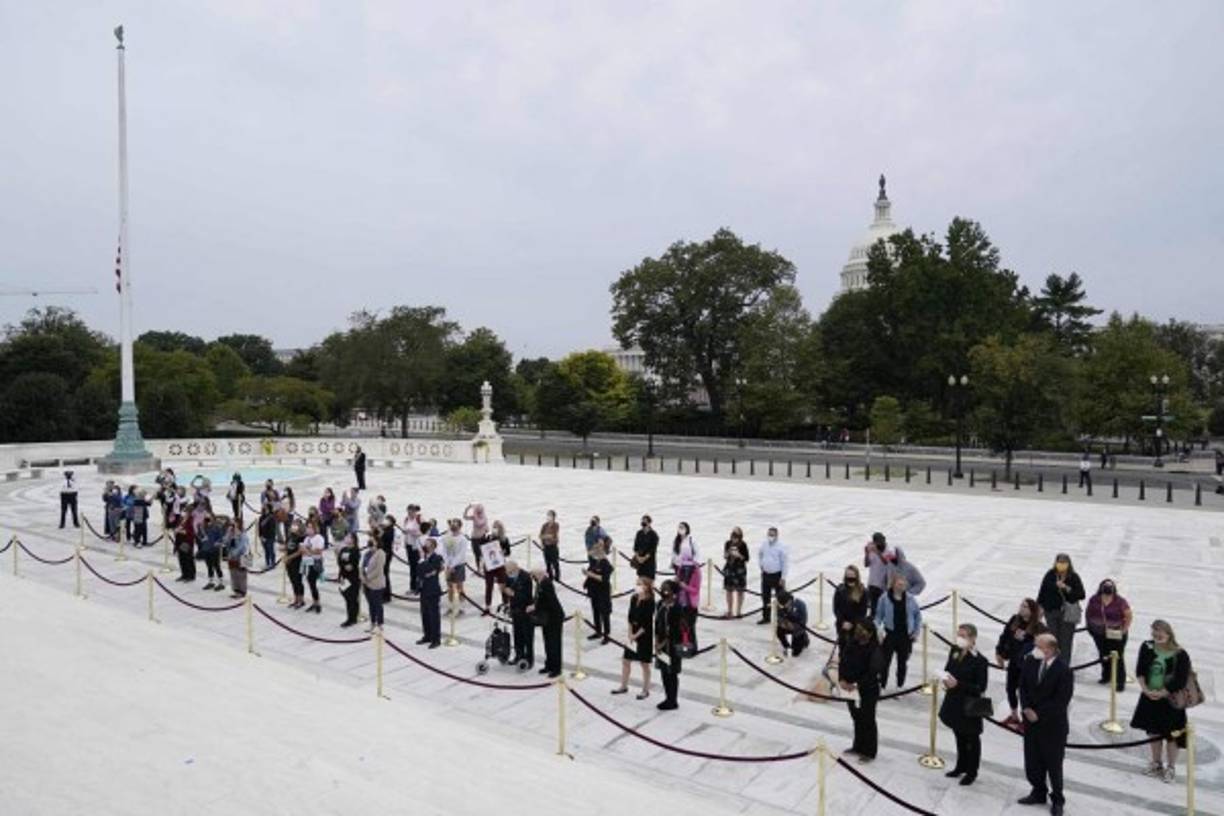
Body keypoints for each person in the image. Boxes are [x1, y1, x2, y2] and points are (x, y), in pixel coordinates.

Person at [1017, 633, 1075, 815]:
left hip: (1052, 726)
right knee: (1033, 761)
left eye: (1038, 646)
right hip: (1031, 722)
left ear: (1049, 649)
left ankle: (1057, 799)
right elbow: (1023, 686)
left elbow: (1061, 700)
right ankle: (1038, 791)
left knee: (1053, 764)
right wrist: (1026, 708)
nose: (1034, 649)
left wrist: (1038, 714)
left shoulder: (1063, 670)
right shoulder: (1031, 662)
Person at [1131, 620, 1193, 783]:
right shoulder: (1146, 647)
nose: (1157, 636)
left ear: (1169, 633)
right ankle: (1156, 763)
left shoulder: (1180, 654)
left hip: (1170, 700)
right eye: (1154, 633)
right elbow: (1140, 671)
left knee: (1172, 735)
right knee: (1153, 732)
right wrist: (1145, 689)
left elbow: (1180, 680)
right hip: (1149, 696)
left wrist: (1163, 693)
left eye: (1160, 633)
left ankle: (1170, 767)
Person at [939, 623, 990, 786]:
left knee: (971, 739)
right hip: (954, 701)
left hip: (969, 705)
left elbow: (980, 687)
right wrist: (945, 680)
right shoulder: (955, 650)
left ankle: (972, 771)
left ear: (973, 639)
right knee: (958, 736)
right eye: (958, 635)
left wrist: (958, 684)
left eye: (963, 636)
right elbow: (948, 669)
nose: (960, 639)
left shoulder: (980, 661)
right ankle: (960, 766)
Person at [996, 598, 1045, 725]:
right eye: (1021, 605)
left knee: (1025, 692)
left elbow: (1041, 645)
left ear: (1032, 611)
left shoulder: (1038, 627)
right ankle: (1014, 715)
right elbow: (1004, 636)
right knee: (1010, 688)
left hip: (1027, 666)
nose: (1021, 608)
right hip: (1013, 661)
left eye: (1025, 607)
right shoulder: (1014, 620)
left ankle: (1026, 719)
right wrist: (999, 653)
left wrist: (1026, 638)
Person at [839, 621, 882, 762]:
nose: (858, 632)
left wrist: (857, 684)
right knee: (856, 717)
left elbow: (872, 672)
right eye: (858, 629)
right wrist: (842, 679)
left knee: (868, 719)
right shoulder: (852, 644)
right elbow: (843, 661)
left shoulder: (875, 649)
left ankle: (869, 751)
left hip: (867, 690)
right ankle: (857, 746)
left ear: (870, 633)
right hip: (849, 688)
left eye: (862, 630)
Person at [874, 573, 921, 688]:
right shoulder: (884, 598)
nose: (902, 586)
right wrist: (878, 630)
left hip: (905, 636)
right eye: (899, 584)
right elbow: (878, 616)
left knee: (902, 663)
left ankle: (899, 685)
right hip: (890, 634)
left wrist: (915, 632)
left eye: (903, 584)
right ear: (893, 584)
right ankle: (882, 684)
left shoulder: (910, 599)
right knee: (885, 662)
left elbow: (917, 616)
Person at [611, 577, 654, 700]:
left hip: (644, 635)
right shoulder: (634, 598)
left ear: (646, 586)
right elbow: (630, 617)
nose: (637, 586)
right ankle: (623, 686)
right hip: (633, 633)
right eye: (637, 584)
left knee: (644, 663)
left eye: (639, 584)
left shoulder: (650, 602)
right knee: (626, 660)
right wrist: (630, 633)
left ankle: (645, 690)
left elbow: (647, 623)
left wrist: (636, 635)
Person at [1085, 578, 1133, 690]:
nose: (1107, 594)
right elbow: (1088, 613)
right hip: (1099, 633)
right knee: (1104, 655)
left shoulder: (1120, 601)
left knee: (1118, 657)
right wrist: (1090, 628)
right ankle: (1106, 676)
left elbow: (1128, 616)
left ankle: (1120, 681)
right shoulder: (1094, 599)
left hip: (1116, 634)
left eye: (1109, 591)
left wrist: (1124, 630)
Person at [1037, 553, 1085, 660]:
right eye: (1060, 562)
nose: (1061, 564)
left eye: (1064, 562)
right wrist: (1039, 609)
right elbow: (1042, 592)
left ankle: (1063, 667)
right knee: (1052, 640)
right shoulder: (1050, 575)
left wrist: (1066, 588)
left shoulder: (1073, 577)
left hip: (1067, 614)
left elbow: (1081, 594)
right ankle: (1052, 663)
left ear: (1068, 564)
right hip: (1051, 612)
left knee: (1066, 641)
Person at [653, 579, 683, 711]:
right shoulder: (660, 604)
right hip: (661, 645)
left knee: (672, 673)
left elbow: (675, 631)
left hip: (672, 646)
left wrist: (662, 643)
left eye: (666, 589)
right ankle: (667, 697)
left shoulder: (677, 608)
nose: (663, 591)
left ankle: (673, 700)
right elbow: (657, 624)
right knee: (664, 672)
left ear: (673, 593)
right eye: (662, 588)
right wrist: (656, 641)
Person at [528, 567, 564, 678]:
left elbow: (549, 601)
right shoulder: (541, 583)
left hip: (554, 618)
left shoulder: (546, 584)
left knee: (554, 643)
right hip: (547, 618)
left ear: (538, 575)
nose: (533, 578)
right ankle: (549, 665)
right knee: (548, 642)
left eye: (534, 576)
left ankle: (556, 668)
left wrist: (535, 607)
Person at [671, 522, 701, 653]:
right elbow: (673, 554)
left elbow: (696, 589)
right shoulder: (681, 569)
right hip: (681, 600)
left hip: (691, 603)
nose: (680, 530)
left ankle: (692, 648)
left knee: (690, 625)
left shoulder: (695, 572)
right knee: (681, 624)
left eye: (683, 527)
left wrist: (685, 586)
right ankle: (682, 646)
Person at [863, 532, 906, 614]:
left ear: (884, 540)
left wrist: (877, 552)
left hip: (884, 586)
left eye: (881, 542)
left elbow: (886, 562)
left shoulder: (890, 551)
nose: (879, 544)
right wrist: (866, 553)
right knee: (873, 610)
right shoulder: (872, 550)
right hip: (872, 584)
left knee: (884, 609)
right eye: (877, 542)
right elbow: (866, 564)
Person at [504, 560, 534, 667]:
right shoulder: (509, 576)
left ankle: (529, 659)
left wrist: (513, 593)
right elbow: (506, 587)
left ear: (515, 568)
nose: (508, 574)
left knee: (527, 636)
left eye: (509, 571)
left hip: (525, 611)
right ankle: (518, 655)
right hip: (515, 610)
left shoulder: (525, 577)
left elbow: (527, 596)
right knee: (517, 635)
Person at [757, 526, 788, 624]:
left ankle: (781, 617)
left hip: (777, 575)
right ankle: (766, 617)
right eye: (769, 534)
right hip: (766, 574)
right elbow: (760, 554)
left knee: (780, 597)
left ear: (776, 535)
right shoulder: (764, 544)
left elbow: (785, 563)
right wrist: (761, 565)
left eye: (772, 535)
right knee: (765, 596)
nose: (770, 536)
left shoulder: (781, 547)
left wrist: (783, 577)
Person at [440, 518, 470, 619]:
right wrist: (448, 564)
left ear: (460, 526)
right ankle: (451, 606)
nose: (453, 525)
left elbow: (461, 554)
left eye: (455, 524)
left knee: (458, 587)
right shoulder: (446, 537)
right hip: (448, 566)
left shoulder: (463, 539)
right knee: (449, 588)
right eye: (452, 523)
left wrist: (452, 565)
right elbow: (444, 551)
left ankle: (459, 608)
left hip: (458, 565)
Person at [583, 540, 613, 643]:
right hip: (594, 591)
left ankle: (606, 635)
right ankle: (598, 631)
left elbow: (604, 578)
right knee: (595, 612)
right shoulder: (595, 562)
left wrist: (590, 574)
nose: (594, 551)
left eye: (597, 549)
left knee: (604, 614)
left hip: (603, 592)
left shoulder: (606, 563)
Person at [417, 538, 444, 648]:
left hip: (432, 590)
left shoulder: (437, 558)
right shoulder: (423, 558)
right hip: (423, 589)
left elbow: (430, 570)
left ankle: (436, 639)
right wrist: (424, 567)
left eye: (427, 544)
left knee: (434, 616)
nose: (425, 546)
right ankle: (427, 635)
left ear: (433, 546)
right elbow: (419, 572)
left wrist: (425, 566)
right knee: (425, 614)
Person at [834, 565, 870, 646]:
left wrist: (852, 624)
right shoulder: (840, 590)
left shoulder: (863, 591)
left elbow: (863, 612)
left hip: (856, 627)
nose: (850, 578)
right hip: (842, 625)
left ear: (857, 577)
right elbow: (836, 608)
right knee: (842, 649)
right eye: (848, 576)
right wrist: (843, 622)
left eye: (852, 576)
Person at [481, 519, 511, 610]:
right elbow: (482, 546)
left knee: (502, 584)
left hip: (500, 565)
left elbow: (508, 552)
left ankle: (506, 603)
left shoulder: (504, 539)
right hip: (489, 565)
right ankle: (487, 605)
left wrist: (503, 552)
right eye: (494, 527)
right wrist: (484, 535)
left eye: (497, 527)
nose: (495, 529)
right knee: (489, 585)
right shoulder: (488, 537)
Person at [361, 533, 387, 633]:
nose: (370, 542)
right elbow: (362, 566)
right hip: (367, 583)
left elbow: (379, 569)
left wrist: (368, 577)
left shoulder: (381, 553)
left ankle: (380, 624)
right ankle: (372, 623)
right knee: (371, 604)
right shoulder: (367, 553)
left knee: (377, 604)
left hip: (376, 583)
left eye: (372, 540)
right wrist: (363, 577)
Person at [722, 527, 750, 619]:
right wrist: (728, 552)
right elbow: (725, 556)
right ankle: (730, 610)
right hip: (730, 569)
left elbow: (746, 558)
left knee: (740, 591)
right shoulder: (728, 543)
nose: (734, 538)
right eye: (733, 535)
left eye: (736, 536)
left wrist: (739, 555)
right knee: (729, 590)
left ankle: (738, 611)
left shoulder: (743, 545)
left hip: (739, 570)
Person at [336, 533, 362, 627]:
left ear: (353, 539)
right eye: (346, 537)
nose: (346, 538)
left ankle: (352, 618)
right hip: (344, 576)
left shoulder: (355, 550)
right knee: (347, 597)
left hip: (353, 578)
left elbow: (353, 564)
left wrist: (349, 565)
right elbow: (339, 561)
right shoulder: (343, 549)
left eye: (349, 537)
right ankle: (350, 617)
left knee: (352, 598)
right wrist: (343, 568)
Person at [775, 589, 810, 657]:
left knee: (795, 653)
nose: (784, 606)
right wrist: (783, 623)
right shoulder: (780, 606)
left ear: (790, 600)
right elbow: (778, 617)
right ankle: (787, 646)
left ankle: (804, 639)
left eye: (785, 604)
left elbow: (803, 621)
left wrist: (794, 626)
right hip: (786, 625)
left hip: (797, 628)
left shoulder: (800, 605)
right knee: (778, 631)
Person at [301, 522, 326, 614]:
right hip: (308, 562)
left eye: (310, 527)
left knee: (313, 582)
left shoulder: (319, 538)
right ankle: (314, 602)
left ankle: (317, 603)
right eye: (307, 527)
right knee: (310, 583)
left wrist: (308, 551)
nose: (308, 529)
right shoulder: (307, 538)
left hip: (316, 562)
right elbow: (303, 549)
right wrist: (306, 551)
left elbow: (318, 551)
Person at [224, 520, 251, 599]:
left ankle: (242, 591)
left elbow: (243, 546)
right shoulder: (231, 533)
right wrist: (228, 533)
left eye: (235, 523)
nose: (233, 525)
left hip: (242, 556)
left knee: (241, 574)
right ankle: (236, 589)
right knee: (233, 573)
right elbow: (226, 541)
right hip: (232, 556)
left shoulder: (243, 534)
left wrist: (234, 553)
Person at [199, 514, 226, 592]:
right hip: (206, 549)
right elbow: (200, 535)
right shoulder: (203, 528)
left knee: (216, 566)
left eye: (209, 520)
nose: (208, 522)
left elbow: (221, 537)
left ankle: (221, 583)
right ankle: (211, 581)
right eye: (206, 520)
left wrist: (217, 542)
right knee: (209, 566)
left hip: (214, 549)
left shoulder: (216, 528)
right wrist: (202, 538)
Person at [283, 520, 305, 609]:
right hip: (289, 563)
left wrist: (290, 557)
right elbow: (287, 547)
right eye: (293, 525)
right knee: (292, 581)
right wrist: (285, 556)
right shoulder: (289, 536)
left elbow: (300, 551)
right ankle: (296, 599)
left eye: (296, 525)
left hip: (297, 562)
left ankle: (301, 600)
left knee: (298, 581)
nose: (293, 527)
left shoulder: (301, 538)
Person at [402, 504, 422, 594]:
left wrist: (414, 532)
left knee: (418, 567)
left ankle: (419, 587)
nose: (410, 514)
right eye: (409, 512)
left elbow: (425, 531)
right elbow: (405, 530)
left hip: (417, 546)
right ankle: (413, 587)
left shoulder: (419, 519)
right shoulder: (406, 519)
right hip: (409, 545)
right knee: (412, 567)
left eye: (412, 512)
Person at [632, 515, 659, 580]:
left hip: (649, 561)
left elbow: (653, 549)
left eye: (645, 522)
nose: (643, 524)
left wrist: (644, 558)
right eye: (642, 522)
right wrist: (638, 557)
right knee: (640, 579)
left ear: (649, 523)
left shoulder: (653, 535)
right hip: (640, 560)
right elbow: (636, 546)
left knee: (649, 581)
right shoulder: (639, 533)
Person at [173, 515, 196, 583]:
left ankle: (190, 575)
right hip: (180, 542)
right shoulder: (180, 521)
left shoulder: (190, 521)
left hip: (186, 543)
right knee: (181, 559)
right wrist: (176, 530)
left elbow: (191, 533)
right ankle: (184, 574)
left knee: (187, 559)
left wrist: (183, 531)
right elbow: (177, 529)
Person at [539, 510, 561, 581]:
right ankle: (550, 577)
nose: (548, 517)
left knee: (555, 563)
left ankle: (557, 577)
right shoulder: (544, 525)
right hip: (546, 546)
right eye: (548, 515)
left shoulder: (556, 525)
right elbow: (540, 535)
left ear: (554, 517)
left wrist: (546, 536)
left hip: (553, 546)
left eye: (550, 515)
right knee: (547, 563)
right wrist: (545, 538)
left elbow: (552, 536)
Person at [257, 504, 278, 569]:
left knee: (271, 550)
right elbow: (259, 527)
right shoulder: (261, 517)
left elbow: (272, 529)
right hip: (263, 537)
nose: (264, 509)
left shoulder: (272, 518)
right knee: (266, 551)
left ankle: (272, 563)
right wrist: (260, 536)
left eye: (265, 508)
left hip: (270, 537)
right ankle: (267, 563)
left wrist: (266, 537)